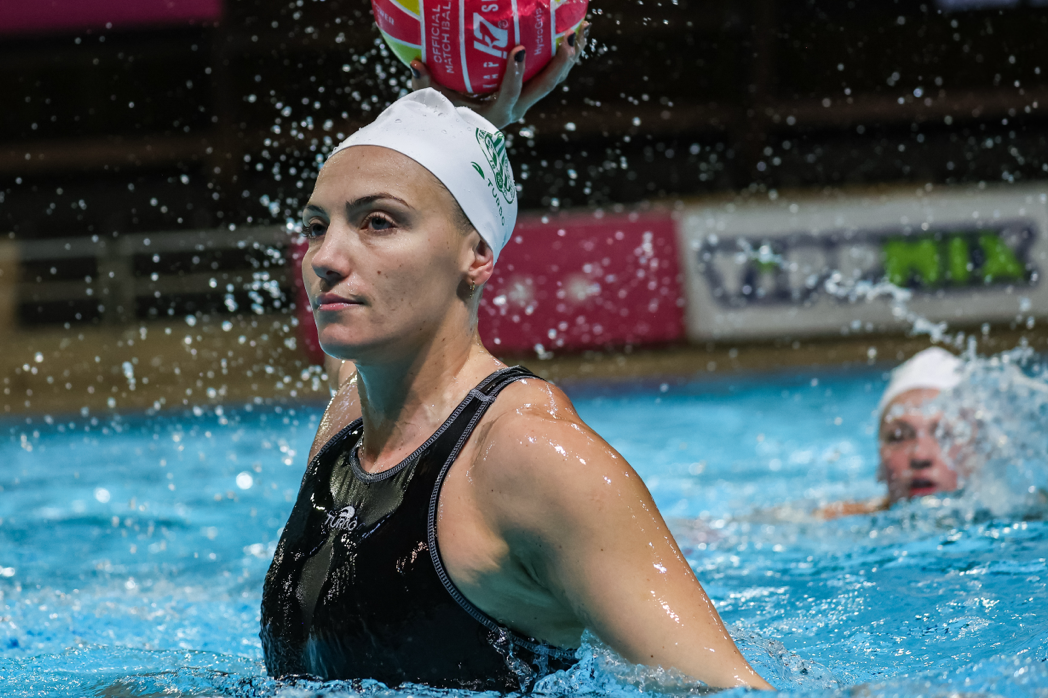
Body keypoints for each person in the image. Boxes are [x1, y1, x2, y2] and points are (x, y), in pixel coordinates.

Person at [258, 88, 772, 692]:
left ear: (477, 254)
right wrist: (468, 123)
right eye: (316, 227)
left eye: (379, 222)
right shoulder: (348, 421)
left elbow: (731, 690)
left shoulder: (531, 459)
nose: (326, 257)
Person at [816, 347, 968, 519]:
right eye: (898, 437)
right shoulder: (833, 520)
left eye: (944, 435)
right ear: (880, 464)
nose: (919, 456)